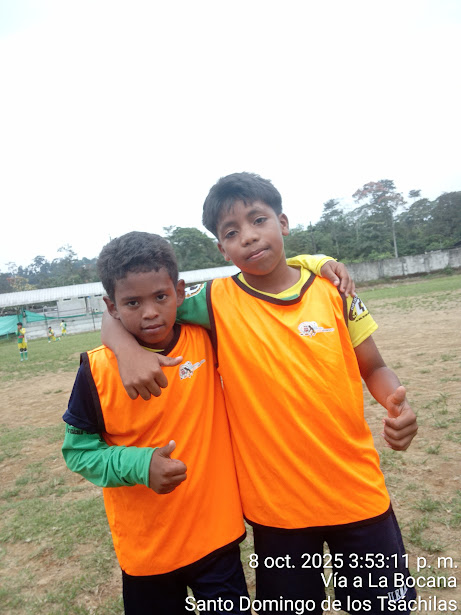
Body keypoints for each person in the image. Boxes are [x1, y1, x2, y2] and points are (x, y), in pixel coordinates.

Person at [102, 173, 419, 615]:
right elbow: (130, 306)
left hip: (358, 493)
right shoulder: (215, 300)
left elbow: (375, 367)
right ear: (222, 249)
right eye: (232, 232)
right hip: (277, 511)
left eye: (258, 220)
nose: (248, 237)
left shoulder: (333, 290)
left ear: (282, 222)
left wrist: (395, 405)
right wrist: (124, 349)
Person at [61, 231, 249, 615]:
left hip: (217, 538)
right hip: (147, 552)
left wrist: (316, 263)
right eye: (133, 302)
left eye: (160, 297)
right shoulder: (96, 370)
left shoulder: (207, 338)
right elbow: (78, 452)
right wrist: (141, 465)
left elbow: (260, 283)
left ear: (179, 292)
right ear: (111, 307)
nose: (149, 312)